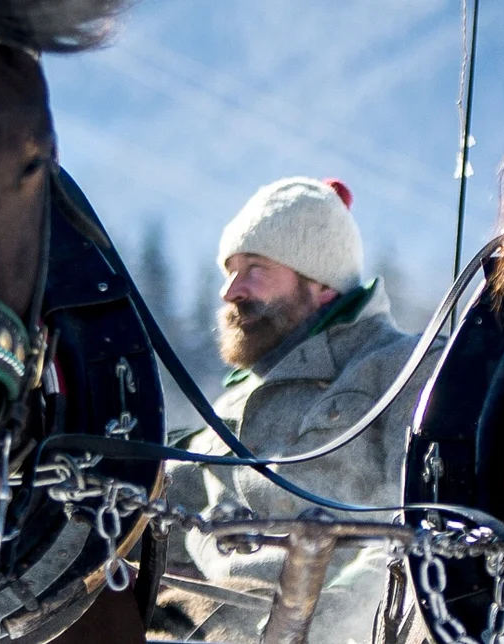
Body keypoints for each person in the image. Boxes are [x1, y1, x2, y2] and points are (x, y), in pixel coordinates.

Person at [161, 177, 441, 644]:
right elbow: (154, 506)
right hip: (201, 620)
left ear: (321, 283)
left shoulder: (402, 368)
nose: (232, 290)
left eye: (255, 268)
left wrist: (331, 620)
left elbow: (419, 524)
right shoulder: (232, 402)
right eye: (229, 270)